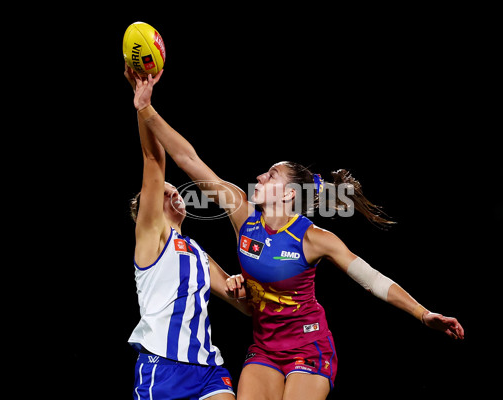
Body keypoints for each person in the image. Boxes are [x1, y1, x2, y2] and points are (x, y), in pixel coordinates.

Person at [132, 70, 465, 400]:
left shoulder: (314, 238)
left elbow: (373, 280)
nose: (260, 177)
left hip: (309, 347)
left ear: (290, 194)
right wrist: (146, 108)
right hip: (264, 350)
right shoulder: (242, 214)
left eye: (271, 174)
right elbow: (188, 159)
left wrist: (423, 314)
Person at [124, 66, 250, 400]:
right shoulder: (152, 238)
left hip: (208, 369)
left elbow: (246, 306)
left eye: (173, 190)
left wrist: (242, 285)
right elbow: (154, 159)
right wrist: (143, 107)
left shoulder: (197, 253)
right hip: (163, 368)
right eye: (163, 194)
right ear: (148, 211)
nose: (174, 194)